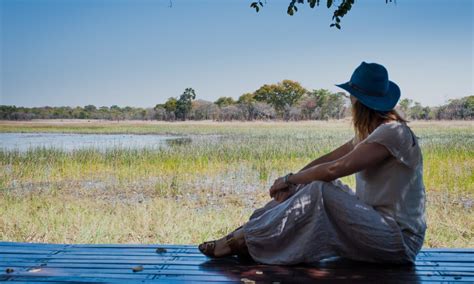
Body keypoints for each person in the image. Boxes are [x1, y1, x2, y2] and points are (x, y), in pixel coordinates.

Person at [198, 62, 427, 265]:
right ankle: (249, 236)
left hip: (398, 240)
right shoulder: (373, 133)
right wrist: (295, 181)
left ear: (358, 101)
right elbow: (330, 158)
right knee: (310, 183)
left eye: (351, 97)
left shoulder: (393, 133)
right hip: (376, 225)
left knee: (321, 188)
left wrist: (289, 179)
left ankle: (244, 239)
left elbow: (334, 169)